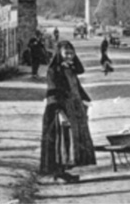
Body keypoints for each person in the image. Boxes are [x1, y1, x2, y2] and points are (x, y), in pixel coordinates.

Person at [39, 41, 96, 183]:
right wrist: (60, 113)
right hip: (58, 110)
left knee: (69, 142)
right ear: (60, 54)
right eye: (66, 53)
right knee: (60, 141)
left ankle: (63, 172)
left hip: (72, 109)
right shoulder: (54, 71)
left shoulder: (70, 69)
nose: (69, 56)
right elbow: (52, 92)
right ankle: (57, 174)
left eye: (72, 53)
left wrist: (85, 100)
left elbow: (76, 86)